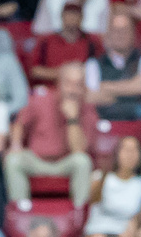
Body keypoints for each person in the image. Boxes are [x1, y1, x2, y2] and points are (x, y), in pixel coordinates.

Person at [5, 63, 97, 207]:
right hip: (37, 160)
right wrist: (15, 144)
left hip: (65, 163)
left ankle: (79, 214)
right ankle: (21, 209)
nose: (72, 90)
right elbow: (19, 123)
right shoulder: (41, 99)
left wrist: (72, 119)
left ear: (84, 88)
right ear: (59, 84)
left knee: (82, 161)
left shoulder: (88, 109)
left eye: (78, 85)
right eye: (68, 83)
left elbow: (79, 151)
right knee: (13, 160)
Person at [85, 13, 141, 120]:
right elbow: (91, 97)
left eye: (125, 30)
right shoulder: (93, 64)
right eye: (116, 31)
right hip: (105, 122)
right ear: (108, 34)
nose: (120, 35)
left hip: (140, 122)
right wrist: (132, 89)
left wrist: (105, 86)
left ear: (133, 33)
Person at [83, 136, 141, 237]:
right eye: (126, 150)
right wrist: (101, 180)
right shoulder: (100, 177)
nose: (130, 155)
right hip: (98, 229)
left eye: (134, 150)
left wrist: (135, 224)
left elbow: (140, 214)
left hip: (125, 231)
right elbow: (89, 200)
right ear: (117, 153)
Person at [29, 2, 103, 86]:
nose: (72, 18)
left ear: (82, 18)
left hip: (82, 89)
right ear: (62, 16)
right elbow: (35, 71)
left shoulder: (92, 41)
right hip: (51, 89)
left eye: (75, 14)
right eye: (68, 14)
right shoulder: (46, 40)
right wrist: (63, 74)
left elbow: (100, 69)